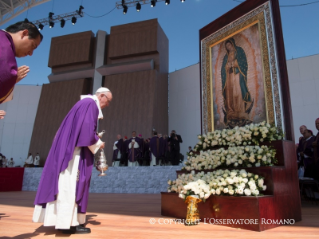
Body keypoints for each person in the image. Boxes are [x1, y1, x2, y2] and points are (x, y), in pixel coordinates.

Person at [33, 87, 112, 234]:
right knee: (69, 185)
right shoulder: (90, 104)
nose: (108, 105)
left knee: (69, 184)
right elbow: (86, 131)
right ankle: (66, 224)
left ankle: (69, 221)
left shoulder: (83, 104)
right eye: (108, 101)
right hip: (73, 154)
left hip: (70, 150)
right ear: (102, 96)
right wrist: (98, 143)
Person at [0, 21, 43, 116]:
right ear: (24, 33)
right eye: (33, 46)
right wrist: (11, 79)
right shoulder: (3, 43)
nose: (31, 53)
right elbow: (4, 77)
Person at [221, 38, 253, 128]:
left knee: (238, 92)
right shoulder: (225, 57)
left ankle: (240, 111)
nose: (228, 47)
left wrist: (235, 63)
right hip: (229, 77)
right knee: (229, 94)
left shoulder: (239, 51)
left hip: (237, 75)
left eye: (229, 45)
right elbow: (223, 69)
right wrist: (227, 66)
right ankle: (230, 112)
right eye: (227, 46)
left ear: (233, 44)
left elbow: (243, 62)